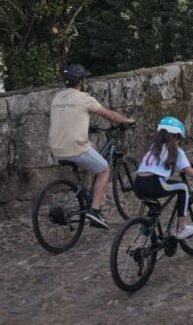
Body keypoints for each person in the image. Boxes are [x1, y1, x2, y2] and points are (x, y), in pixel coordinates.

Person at [48, 63, 135, 229]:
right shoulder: (84, 98)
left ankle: (88, 192)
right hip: (75, 148)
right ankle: (94, 211)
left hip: (57, 148)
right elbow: (109, 114)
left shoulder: (57, 98)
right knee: (104, 169)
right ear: (80, 82)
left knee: (92, 147)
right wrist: (126, 121)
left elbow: (68, 119)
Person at [134, 117, 193, 240]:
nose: (178, 141)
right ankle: (182, 228)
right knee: (183, 188)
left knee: (154, 211)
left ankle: (140, 248)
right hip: (155, 183)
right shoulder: (176, 151)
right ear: (175, 137)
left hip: (138, 185)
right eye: (179, 138)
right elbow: (190, 172)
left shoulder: (152, 147)